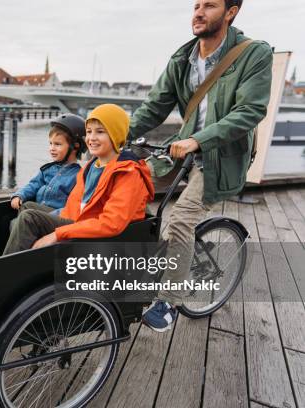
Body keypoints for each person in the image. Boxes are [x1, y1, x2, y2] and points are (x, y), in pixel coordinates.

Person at [128, 0, 273, 332]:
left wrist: (199, 139)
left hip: (220, 157)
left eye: (209, 5)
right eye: (196, 5)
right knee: (125, 181)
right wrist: (109, 136)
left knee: (179, 219)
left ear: (231, 11)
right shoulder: (183, 58)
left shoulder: (254, 54)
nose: (198, 12)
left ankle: (168, 301)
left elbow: (249, 111)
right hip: (182, 149)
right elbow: (153, 107)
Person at [3, 104, 154, 255]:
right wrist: (53, 219)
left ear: (116, 134)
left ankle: (6, 269)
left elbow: (111, 223)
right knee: (29, 208)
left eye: (100, 132)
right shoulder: (91, 165)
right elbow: (73, 207)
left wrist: (57, 234)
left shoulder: (127, 173)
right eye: (89, 132)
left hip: (93, 230)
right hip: (80, 219)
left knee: (29, 219)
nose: (91, 138)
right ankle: (23, 252)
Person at [10, 114, 86, 213]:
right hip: (37, 213)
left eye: (57, 144)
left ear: (75, 147)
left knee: (27, 207)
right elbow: (33, 185)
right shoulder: (47, 169)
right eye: (51, 143)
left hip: (56, 217)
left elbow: (73, 206)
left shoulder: (78, 176)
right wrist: (20, 195)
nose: (52, 149)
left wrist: (47, 215)